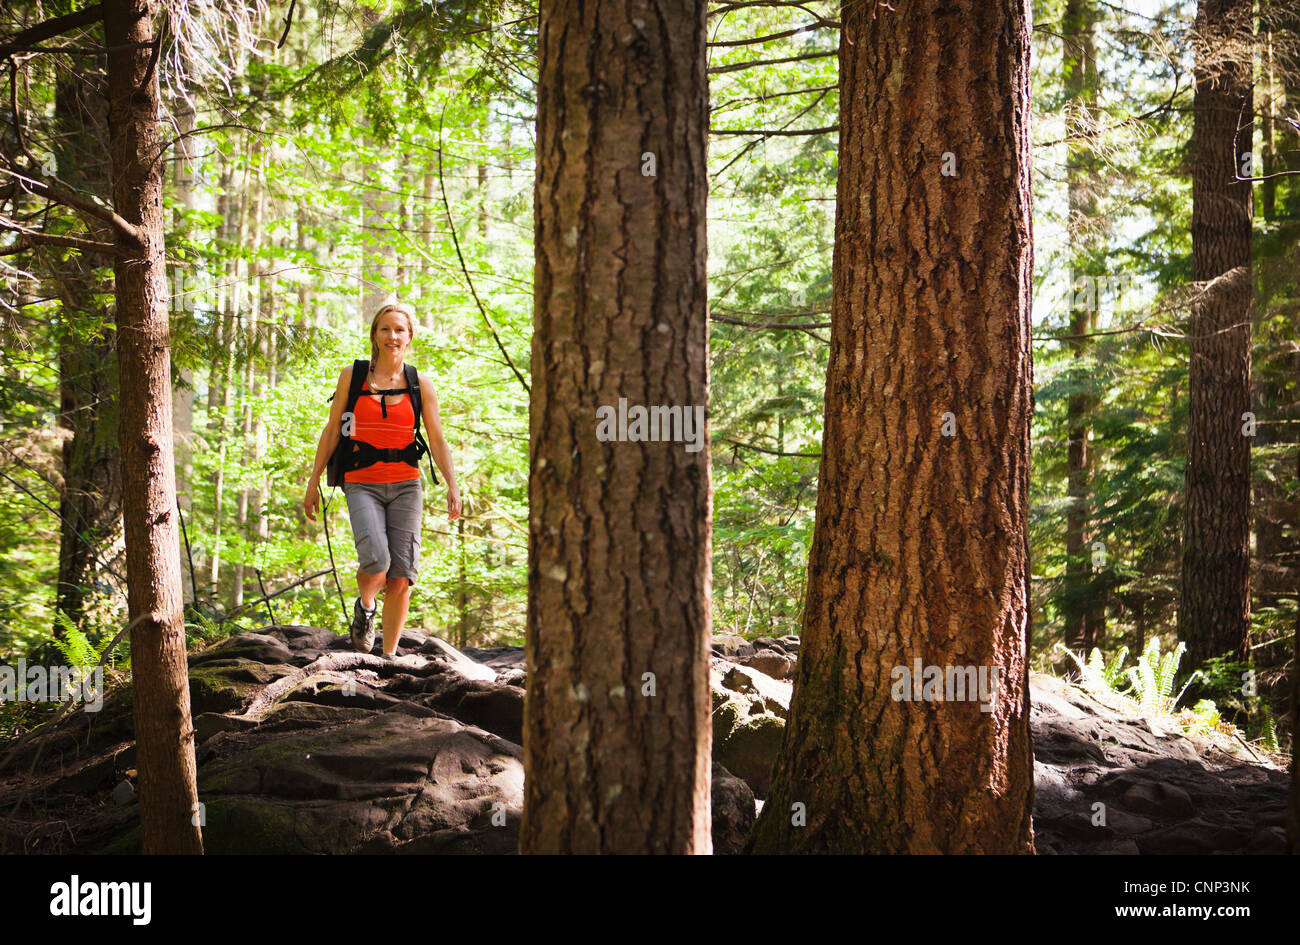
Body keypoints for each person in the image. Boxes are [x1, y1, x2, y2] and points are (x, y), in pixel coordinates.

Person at [303, 301, 461, 657]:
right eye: (385, 329)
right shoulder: (354, 376)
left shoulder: (419, 383)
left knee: (402, 575)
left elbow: (436, 438)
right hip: (362, 482)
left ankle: (388, 658)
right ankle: (366, 606)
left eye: (399, 330)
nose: (393, 336)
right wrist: (313, 481)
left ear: (410, 336)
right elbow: (332, 430)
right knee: (376, 560)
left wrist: (453, 485)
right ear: (375, 335)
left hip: (407, 484)